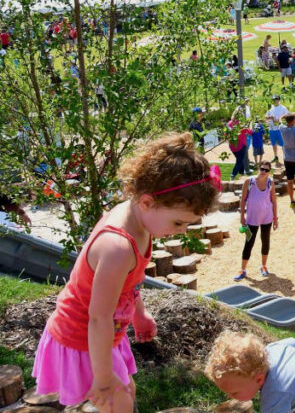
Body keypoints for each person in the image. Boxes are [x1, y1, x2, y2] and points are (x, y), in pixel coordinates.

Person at [33, 134, 218, 410]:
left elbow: (127, 285)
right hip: (83, 337)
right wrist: (104, 379)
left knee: (126, 394)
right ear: (147, 202)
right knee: (117, 400)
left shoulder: (140, 223)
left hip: (104, 333)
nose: (180, 231)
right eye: (178, 222)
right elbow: (98, 318)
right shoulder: (118, 247)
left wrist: (139, 314)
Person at [236, 162, 278, 280]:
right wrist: (242, 216)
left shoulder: (270, 182)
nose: (263, 171)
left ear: (269, 171)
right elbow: (243, 200)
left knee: (265, 241)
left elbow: (274, 201)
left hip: (267, 217)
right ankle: (243, 269)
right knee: (249, 242)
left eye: (266, 170)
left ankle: (263, 266)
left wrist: (275, 218)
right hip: (252, 218)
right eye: (262, 169)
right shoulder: (249, 181)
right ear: (259, 168)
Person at [265, 96, 289, 164]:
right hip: (271, 128)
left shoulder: (283, 108)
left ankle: (286, 157)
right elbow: (266, 117)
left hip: (280, 129)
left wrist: (281, 118)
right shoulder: (270, 108)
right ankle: (276, 156)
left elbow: (288, 115)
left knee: (283, 144)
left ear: (279, 100)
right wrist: (271, 117)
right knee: (273, 144)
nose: (275, 100)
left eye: (276, 99)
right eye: (273, 99)